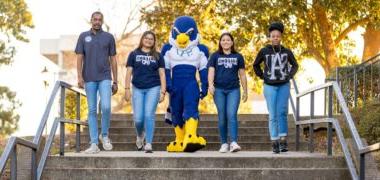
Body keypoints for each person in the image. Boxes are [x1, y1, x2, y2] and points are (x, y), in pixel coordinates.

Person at [75, 11, 118, 154]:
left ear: (102, 21)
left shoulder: (109, 37)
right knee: (92, 110)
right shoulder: (83, 36)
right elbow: (79, 58)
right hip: (89, 78)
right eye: (95, 19)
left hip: (105, 77)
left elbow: (113, 59)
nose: (97, 22)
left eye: (100, 20)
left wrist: (116, 80)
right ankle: (94, 143)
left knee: (106, 107)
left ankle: (104, 135)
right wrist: (79, 77)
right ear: (91, 20)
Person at [253, 22, 298, 153]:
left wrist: (289, 75)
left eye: (277, 36)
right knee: (273, 114)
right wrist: (262, 76)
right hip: (269, 86)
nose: (275, 38)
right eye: (273, 36)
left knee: (282, 112)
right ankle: (274, 141)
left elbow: (295, 65)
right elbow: (256, 65)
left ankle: (283, 140)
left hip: (284, 85)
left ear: (281, 37)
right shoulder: (264, 51)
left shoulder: (287, 51)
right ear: (269, 37)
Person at [124, 31, 166, 153]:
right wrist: (127, 89)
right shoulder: (133, 54)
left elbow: (162, 74)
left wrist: (163, 91)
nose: (148, 40)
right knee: (138, 119)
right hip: (137, 88)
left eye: (151, 39)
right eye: (146, 38)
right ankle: (140, 135)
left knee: (149, 115)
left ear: (154, 42)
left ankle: (148, 143)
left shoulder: (158, 56)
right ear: (142, 39)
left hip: (153, 88)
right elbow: (128, 73)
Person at [208, 32, 248, 153]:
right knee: (222, 116)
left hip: (234, 89)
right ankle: (224, 143)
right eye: (223, 40)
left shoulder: (238, 56)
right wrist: (210, 85)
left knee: (231, 114)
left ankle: (234, 142)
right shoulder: (215, 56)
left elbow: (242, 74)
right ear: (220, 42)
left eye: (228, 40)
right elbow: (211, 71)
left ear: (232, 42)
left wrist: (245, 90)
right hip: (219, 90)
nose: (225, 42)